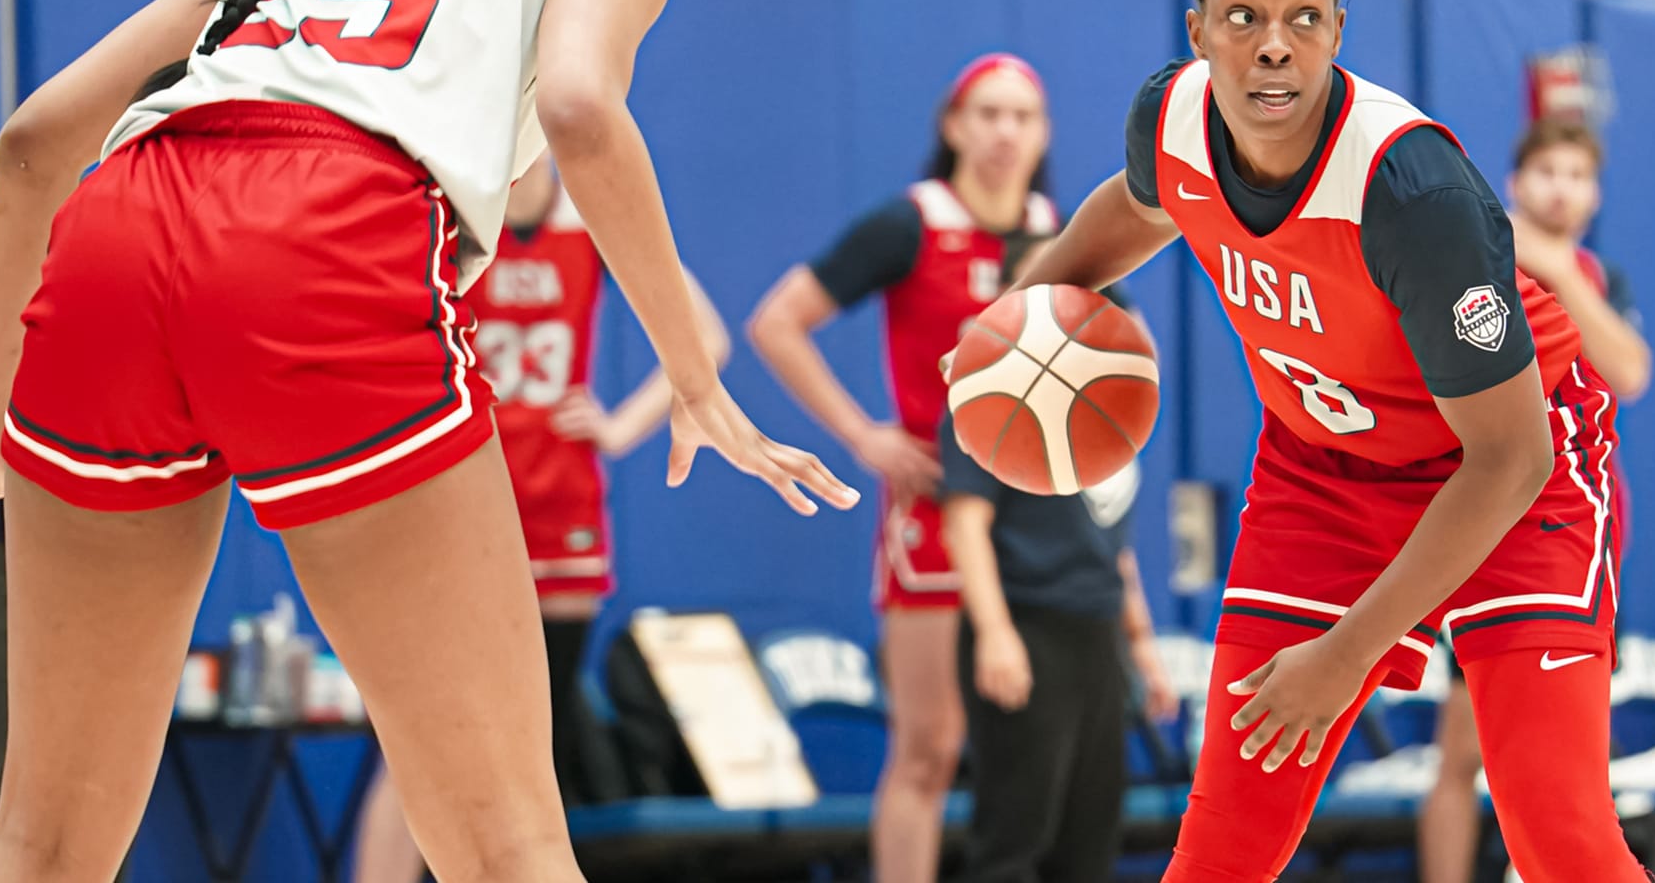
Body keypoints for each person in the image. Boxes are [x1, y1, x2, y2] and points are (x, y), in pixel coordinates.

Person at [0, 0, 857, 878]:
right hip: (321, 234)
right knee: (508, 845)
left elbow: (30, 146)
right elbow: (584, 109)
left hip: (114, 233)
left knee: (43, 841)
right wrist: (693, 378)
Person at [961, 0, 1648, 882]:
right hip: (1320, 474)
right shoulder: (1175, 122)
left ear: (1336, 28)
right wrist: (1015, 322)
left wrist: (1345, 655)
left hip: (1516, 472)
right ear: (1199, 29)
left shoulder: (1411, 190)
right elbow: (1138, 204)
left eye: (1301, 18)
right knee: (1221, 851)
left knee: (1557, 831)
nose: (1272, 43)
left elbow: (1509, 461)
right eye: (1242, 16)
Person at [351, 156, 732, 883]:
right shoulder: (451, 209)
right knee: (415, 749)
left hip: (561, 503)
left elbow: (707, 338)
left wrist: (621, 427)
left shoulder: (589, 219)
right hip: (458, 496)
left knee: (531, 752)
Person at [748, 54, 1058, 883]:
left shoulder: (1055, 229)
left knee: (1035, 748)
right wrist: (862, 435)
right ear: (954, 126)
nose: (1004, 131)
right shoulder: (912, 223)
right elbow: (778, 322)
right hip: (933, 505)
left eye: (1022, 116)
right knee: (930, 746)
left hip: (1034, 513)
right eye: (987, 113)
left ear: (1043, 133)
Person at [1418, 117, 1651, 883]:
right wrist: (1532, 258)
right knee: (1463, 750)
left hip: (1578, 543)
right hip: (1488, 528)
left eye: (1578, 174)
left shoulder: (1598, 276)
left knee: (1570, 764)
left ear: (1596, 194)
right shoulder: (1478, 259)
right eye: (1547, 171)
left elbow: (1629, 371)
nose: (1562, 187)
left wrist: (1558, 266)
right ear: (1514, 184)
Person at [939, 238, 1177, 882]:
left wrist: (1142, 645)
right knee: (1015, 838)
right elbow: (966, 522)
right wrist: (994, 634)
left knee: (1091, 838)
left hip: (1096, 633)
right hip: (1027, 622)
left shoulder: (1109, 395)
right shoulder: (988, 390)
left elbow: (1113, 543)